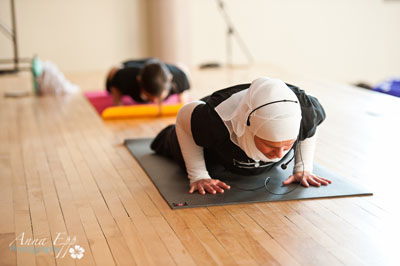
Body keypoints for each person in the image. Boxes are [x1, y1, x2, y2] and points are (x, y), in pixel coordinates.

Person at [151, 77, 332, 195]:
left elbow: (310, 129)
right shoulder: (213, 121)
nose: (279, 154)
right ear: (249, 126)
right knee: (170, 141)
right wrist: (198, 175)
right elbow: (184, 116)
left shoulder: (307, 111)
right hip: (211, 149)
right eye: (270, 145)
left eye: (287, 146)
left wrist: (302, 168)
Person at [105, 58, 190, 106]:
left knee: (182, 67)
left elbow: (183, 104)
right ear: (139, 81)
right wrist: (117, 101)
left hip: (165, 66)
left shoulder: (180, 79)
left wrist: (183, 101)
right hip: (131, 66)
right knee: (113, 71)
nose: (155, 101)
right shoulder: (126, 77)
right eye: (150, 97)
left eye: (159, 97)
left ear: (170, 79)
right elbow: (115, 82)